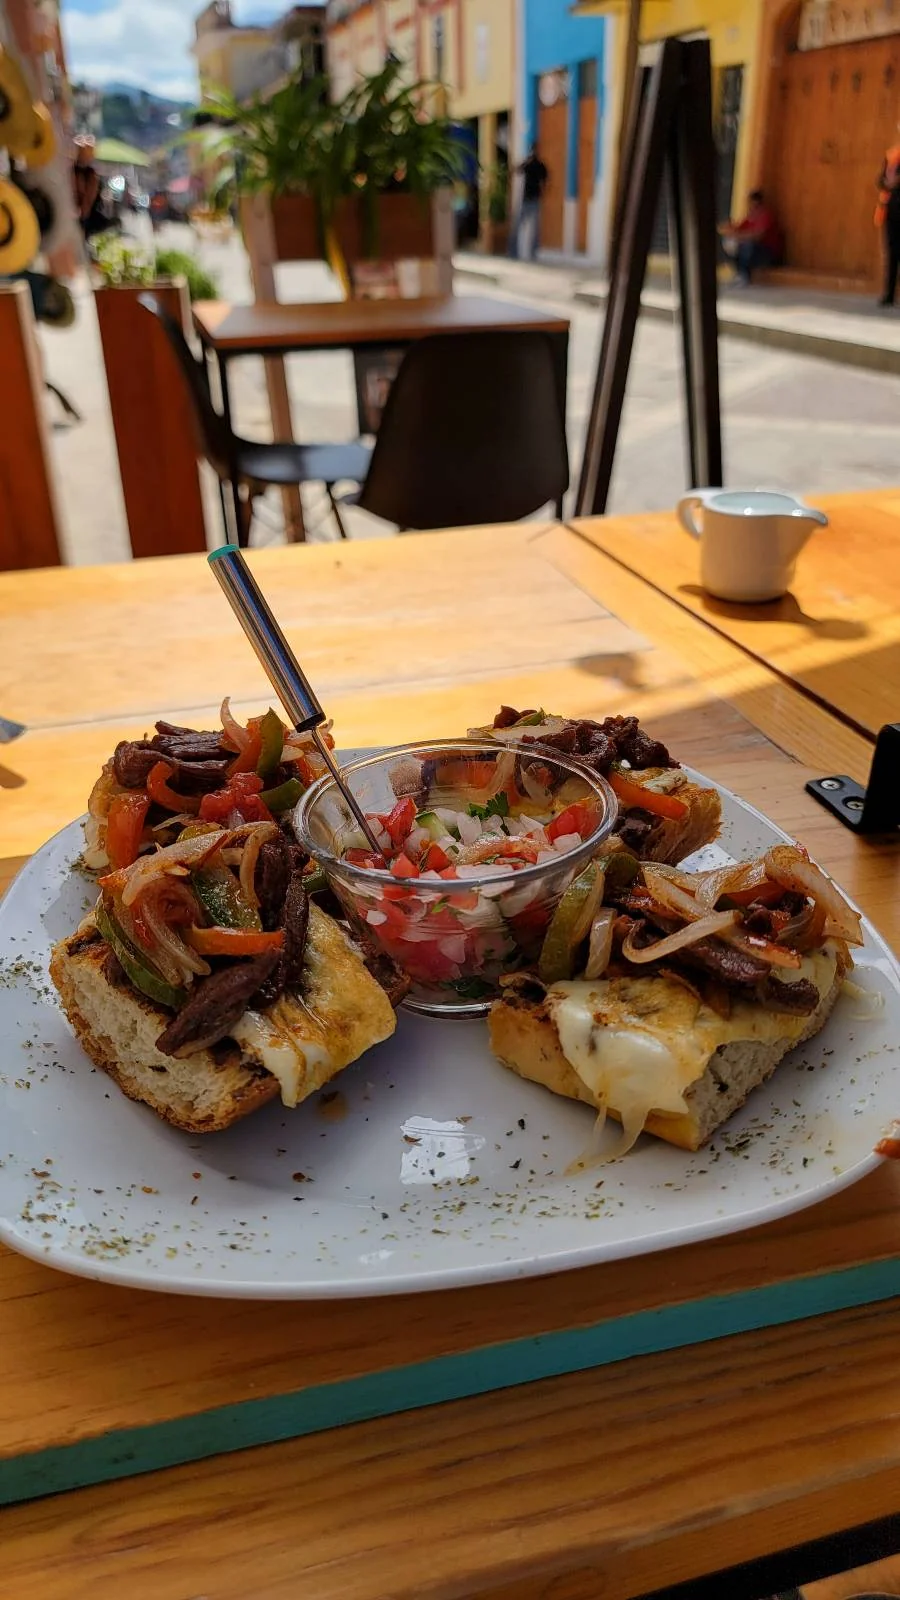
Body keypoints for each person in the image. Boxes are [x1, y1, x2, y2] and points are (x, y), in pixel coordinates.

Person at [719, 190, 784, 285]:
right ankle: (739, 272)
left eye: (755, 205)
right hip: (755, 251)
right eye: (751, 204)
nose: (752, 207)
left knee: (747, 245)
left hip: (768, 253)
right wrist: (728, 230)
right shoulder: (750, 217)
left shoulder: (765, 215)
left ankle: (744, 275)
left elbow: (758, 236)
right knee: (729, 243)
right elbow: (738, 229)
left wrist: (739, 236)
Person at [875, 129, 900, 306]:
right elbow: (879, 180)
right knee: (892, 253)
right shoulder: (892, 156)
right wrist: (887, 182)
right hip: (891, 210)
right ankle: (889, 294)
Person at [511, 144, 548, 262]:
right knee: (527, 227)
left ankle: (525, 252)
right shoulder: (534, 164)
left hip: (530, 199)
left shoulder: (536, 165)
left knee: (528, 227)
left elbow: (517, 169)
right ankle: (520, 252)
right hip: (529, 199)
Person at [71, 134, 107, 240]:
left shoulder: (90, 174)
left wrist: (82, 214)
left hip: (80, 216)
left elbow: (88, 198)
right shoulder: (73, 170)